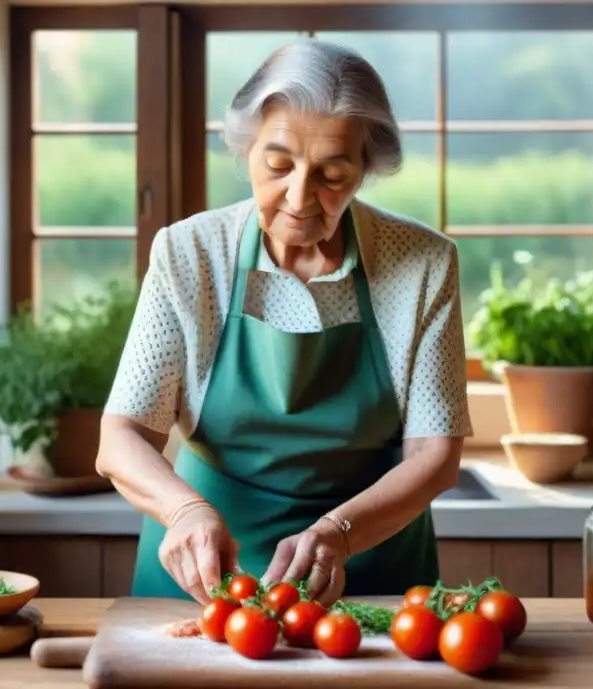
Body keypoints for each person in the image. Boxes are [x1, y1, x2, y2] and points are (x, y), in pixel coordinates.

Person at [98, 39, 471, 606]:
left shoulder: (421, 261)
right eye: (278, 165)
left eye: (332, 173)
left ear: (365, 168)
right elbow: (121, 437)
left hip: (368, 568)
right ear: (246, 149)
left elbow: (435, 457)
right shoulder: (189, 253)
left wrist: (338, 535)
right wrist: (185, 510)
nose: (300, 197)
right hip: (205, 574)